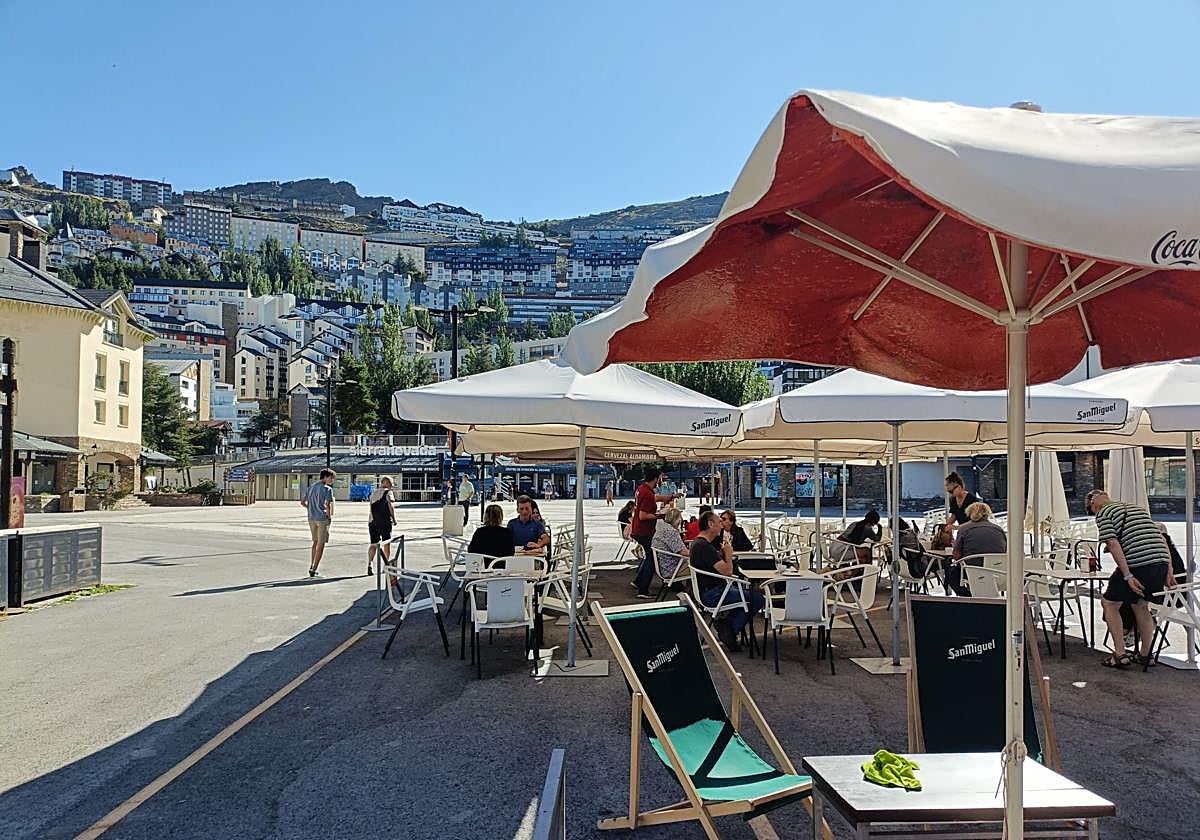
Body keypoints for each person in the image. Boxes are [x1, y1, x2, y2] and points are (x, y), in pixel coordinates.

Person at [1086, 489, 1171, 668]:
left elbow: (1113, 544)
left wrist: (1128, 575)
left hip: (1139, 562)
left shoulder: (1103, 514)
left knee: (1109, 604)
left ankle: (1120, 654)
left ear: (1094, 506)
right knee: (1141, 605)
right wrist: (1168, 570)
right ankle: (1145, 655)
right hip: (1161, 561)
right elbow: (1161, 538)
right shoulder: (1136, 508)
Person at [690, 510, 764, 652]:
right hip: (714, 593)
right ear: (710, 524)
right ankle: (730, 628)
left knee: (747, 597)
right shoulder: (705, 547)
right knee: (758, 599)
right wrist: (728, 554)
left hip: (707, 590)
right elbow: (728, 572)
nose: (721, 526)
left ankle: (728, 626)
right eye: (719, 522)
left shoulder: (698, 543)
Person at [631, 466, 683, 598]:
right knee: (652, 559)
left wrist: (671, 496)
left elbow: (655, 498)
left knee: (649, 556)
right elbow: (643, 516)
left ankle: (638, 582)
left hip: (638, 529)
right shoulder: (647, 493)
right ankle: (643, 590)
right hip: (644, 530)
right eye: (660, 478)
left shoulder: (642, 489)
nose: (661, 480)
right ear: (656, 478)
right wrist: (660, 515)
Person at [947, 501, 1007, 596]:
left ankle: (968, 597)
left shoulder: (964, 529)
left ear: (970, 514)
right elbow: (1004, 551)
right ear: (987, 514)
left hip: (972, 571)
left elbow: (956, 555)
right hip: (997, 572)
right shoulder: (999, 530)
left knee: (952, 575)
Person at [300, 469, 335, 577]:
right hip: (322, 518)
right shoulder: (327, 489)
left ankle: (312, 565)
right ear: (325, 477)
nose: (332, 480)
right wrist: (329, 517)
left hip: (311, 518)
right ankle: (314, 569)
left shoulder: (310, 487)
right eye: (331, 478)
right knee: (321, 544)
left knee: (315, 542)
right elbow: (328, 505)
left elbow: (302, 502)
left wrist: (310, 508)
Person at [652, 507, 690, 587]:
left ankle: (689, 590)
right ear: (678, 520)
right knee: (700, 565)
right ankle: (697, 593)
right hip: (672, 570)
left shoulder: (661, 528)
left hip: (664, 567)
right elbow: (684, 552)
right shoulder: (671, 532)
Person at [366, 476, 396, 576]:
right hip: (384, 522)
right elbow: (390, 506)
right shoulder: (388, 492)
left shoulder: (373, 493)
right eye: (391, 483)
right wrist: (394, 519)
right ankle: (386, 566)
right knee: (386, 543)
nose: (392, 486)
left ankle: (370, 563)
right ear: (386, 483)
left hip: (372, 521)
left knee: (374, 544)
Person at [942, 472, 981, 541]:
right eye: (949, 492)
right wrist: (945, 526)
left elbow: (975, 521)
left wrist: (956, 527)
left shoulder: (972, 500)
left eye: (951, 491)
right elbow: (954, 516)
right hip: (963, 532)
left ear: (959, 487)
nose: (951, 494)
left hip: (974, 532)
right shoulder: (954, 499)